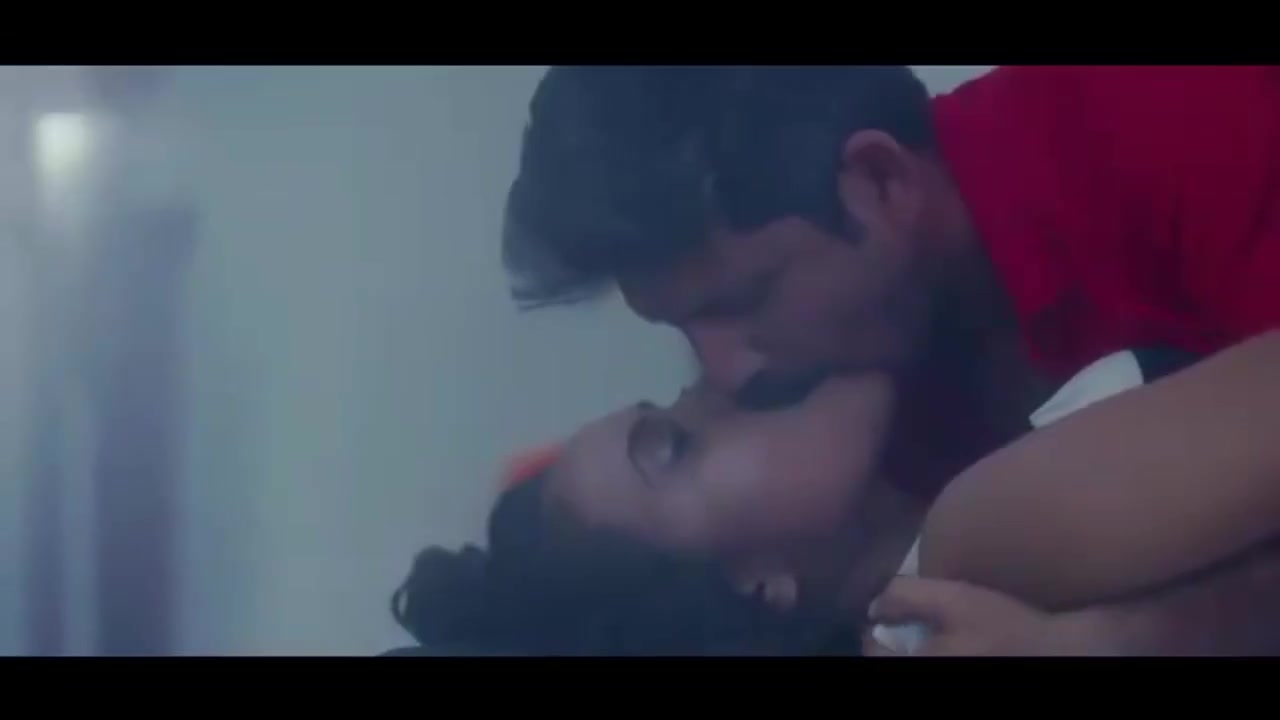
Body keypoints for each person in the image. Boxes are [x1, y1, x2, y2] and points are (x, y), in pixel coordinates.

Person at [499, 66, 1280, 655]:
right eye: (685, 329)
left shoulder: (1162, 118)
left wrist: (1128, 638)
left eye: (746, 300)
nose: (728, 374)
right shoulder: (895, 442)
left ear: (879, 181)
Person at [389, 347, 1269, 655]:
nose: (720, 379)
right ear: (753, 588)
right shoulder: (976, 541)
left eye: (673, 399)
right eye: (676, 447)